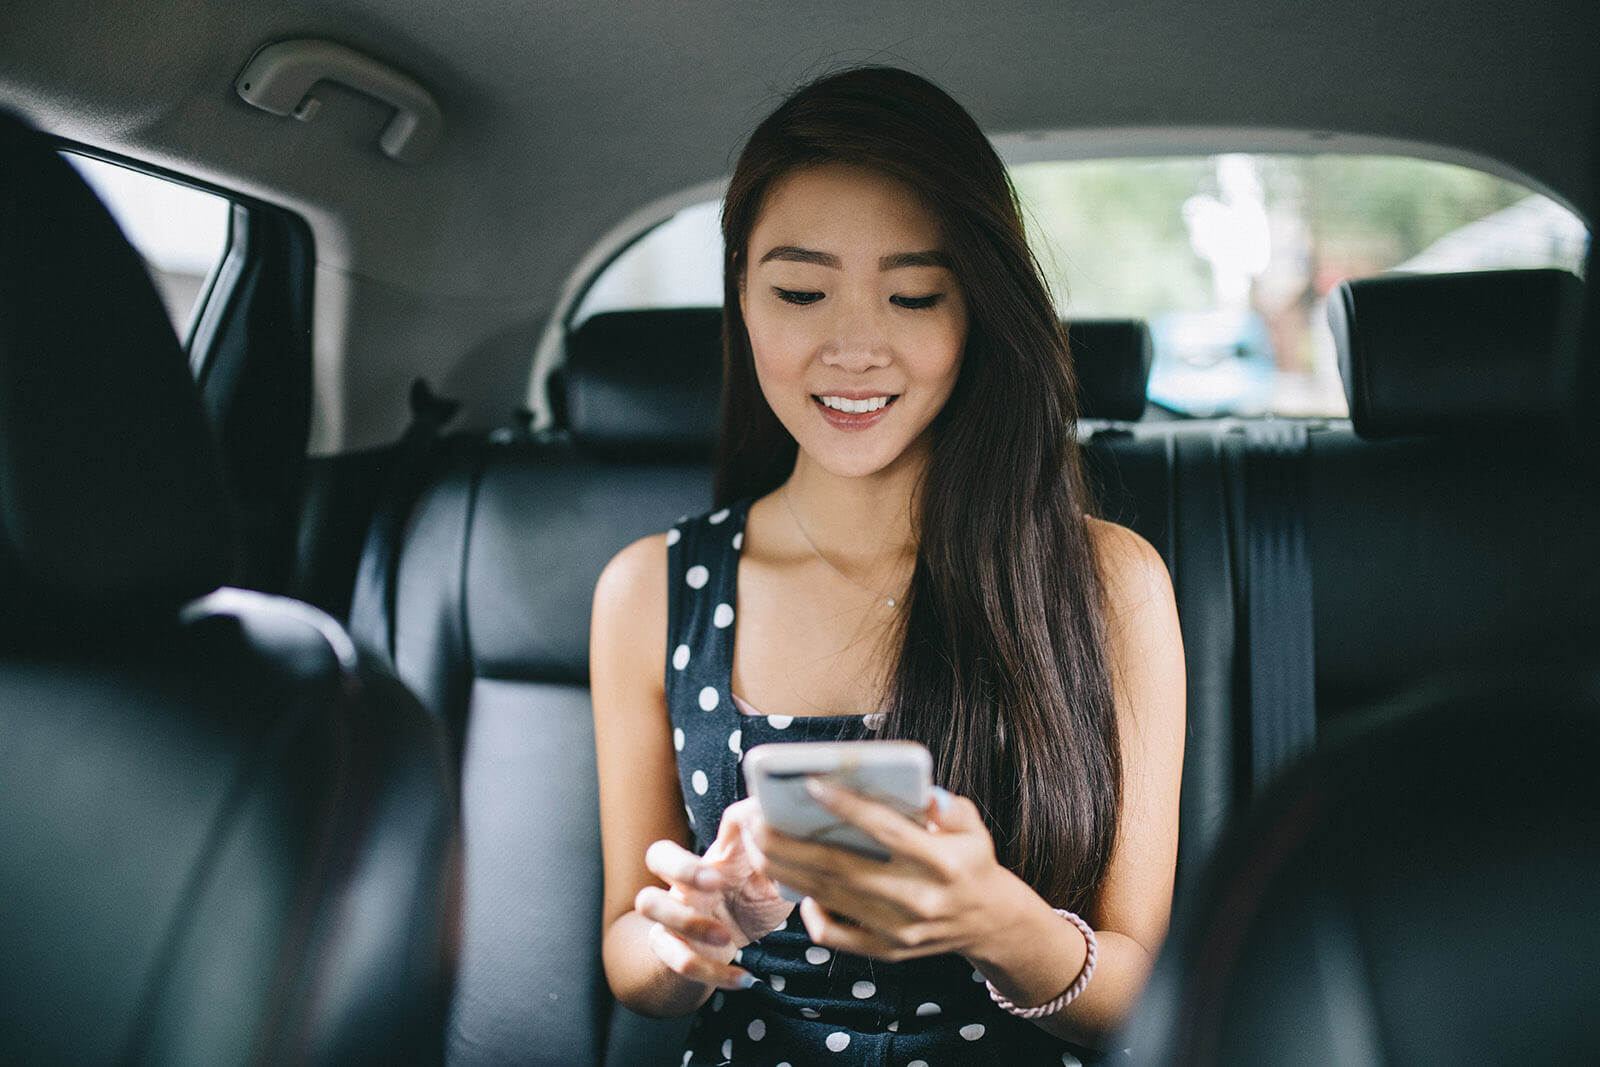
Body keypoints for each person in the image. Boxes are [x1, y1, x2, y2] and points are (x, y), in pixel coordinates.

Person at [590, 65, 1185, 1065]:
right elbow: (627, 955)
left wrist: (999, 921)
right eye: (800, 290)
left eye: (911, 295)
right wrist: (692, 932)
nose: (856, 346)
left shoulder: (1107, 580)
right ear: (740, 296)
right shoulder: (650, 588)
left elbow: (1144, 990)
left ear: (977, 314)